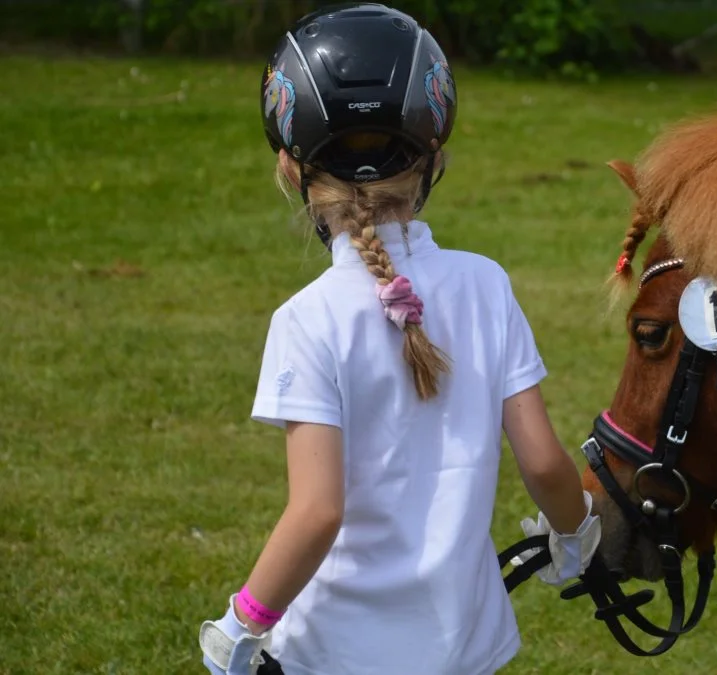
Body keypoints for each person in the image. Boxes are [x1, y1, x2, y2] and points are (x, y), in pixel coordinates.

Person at [196, 5, 601, 674]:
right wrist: (576, 532)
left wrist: (241, 623)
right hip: (463, 648)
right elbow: (546, 463)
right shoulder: (486, 286)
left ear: (292, 169)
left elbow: (318, 510)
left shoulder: (306, 319)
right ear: (434, 157)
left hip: (332, 653)